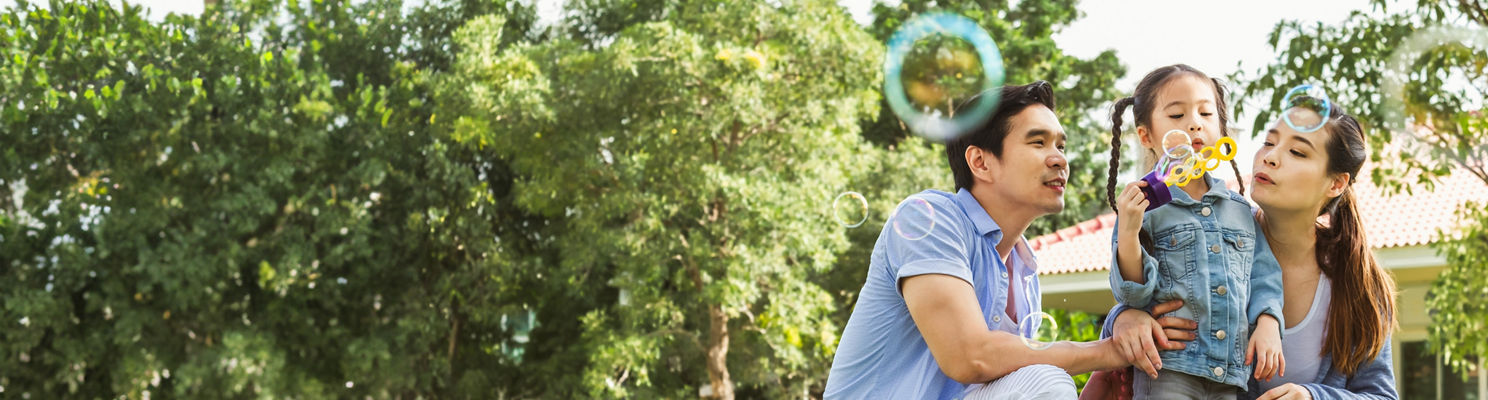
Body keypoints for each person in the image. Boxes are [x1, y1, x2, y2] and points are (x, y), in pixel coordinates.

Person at [825, 81, 1157, 400]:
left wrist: (1112, 369)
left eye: (1060, 145)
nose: (1060, 159)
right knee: (1044, 376)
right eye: (1038, 143)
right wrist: (1106, 350)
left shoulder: (1025, 272)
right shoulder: (930, 220)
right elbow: (970, 357)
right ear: (981, 162)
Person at [1085, 95, 1401, 400]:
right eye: (1269, 141)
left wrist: (1311, 396)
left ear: (1336, 183)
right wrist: (1122, 319)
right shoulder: (1206, 232)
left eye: (1298, 152)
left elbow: (1381, 395)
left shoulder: (1358, 283)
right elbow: (1137, 292)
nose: (1270, 156)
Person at [1104, 64, 1286, 399]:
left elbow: (1264, 277)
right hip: (1169, 369)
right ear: (1146, 136)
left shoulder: (1240, 209)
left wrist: (1269, 324)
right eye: (1177, 115)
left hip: (1229, 374)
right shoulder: (1143, 207)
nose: (1194, 123)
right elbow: (1132, 295)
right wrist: (1129, 232)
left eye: (1206, 112)